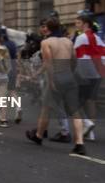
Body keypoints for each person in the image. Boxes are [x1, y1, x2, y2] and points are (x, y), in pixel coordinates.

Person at [26, 18, 86, 155]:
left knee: (46, 108)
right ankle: (79, 144)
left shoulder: (46, 42)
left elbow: (48, 64)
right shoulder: (68, 41)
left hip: (55, 77)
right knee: (75, 111)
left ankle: (39, 136)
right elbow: (74, 60)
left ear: (48, 28)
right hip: (69, 77)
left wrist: (52, 81)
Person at [73, 13, 104, 142]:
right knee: (91, 101)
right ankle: (90, 133)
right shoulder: (98, 38)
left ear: (85, 24)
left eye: (78, 23)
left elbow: (75, 57)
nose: (76, 25)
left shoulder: (81, 38)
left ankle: (86, 124)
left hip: (85, 73)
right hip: (97, 74)